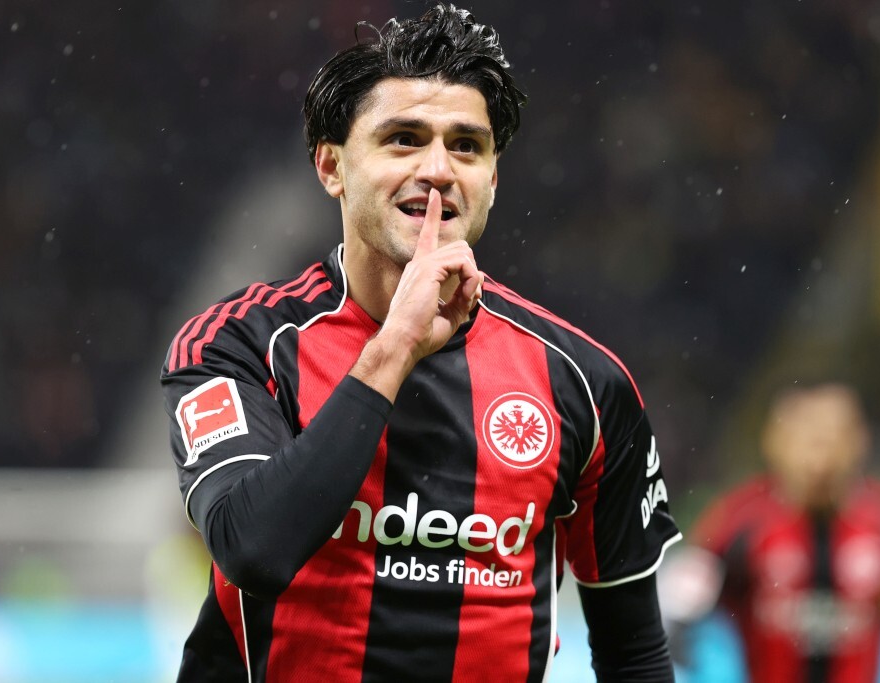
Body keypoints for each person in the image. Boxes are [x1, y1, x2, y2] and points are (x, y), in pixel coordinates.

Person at [160, 4, 680, 681]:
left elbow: (634, 651)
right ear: (331, 167)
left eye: (466, 146)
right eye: (403, 139)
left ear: (493, 178)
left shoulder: (584, 380)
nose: (438, 168)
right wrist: (394, 348)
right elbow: (252, 550)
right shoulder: (239, 344)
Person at [673, 382, 880, 683]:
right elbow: (679, 614)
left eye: (833, 438)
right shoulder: (737, 521)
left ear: (860, 441)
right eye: (808, 439)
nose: (821, 458)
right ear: (774, 442)